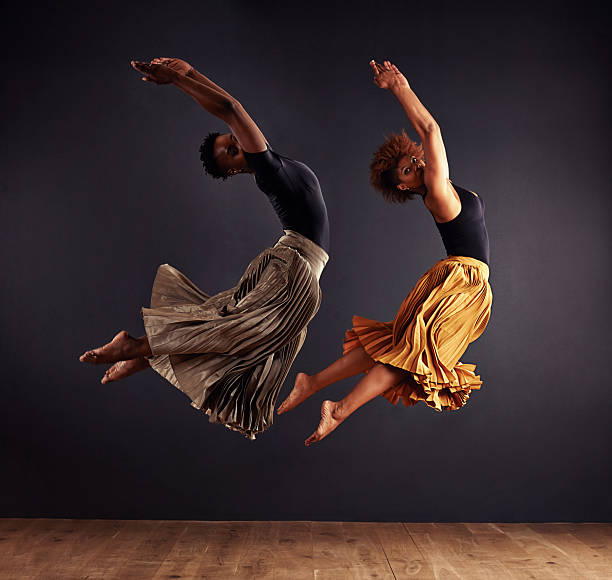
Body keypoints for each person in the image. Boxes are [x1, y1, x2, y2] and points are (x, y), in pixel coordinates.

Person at [79, 57, 329, 440]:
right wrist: (180, 80)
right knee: (233, 331)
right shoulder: (268, 171)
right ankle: (137, 347)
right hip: (294, 270)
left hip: (297, 268)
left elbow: (231, 109)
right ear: (233, 170)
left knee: (228, 326)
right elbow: (230, 109)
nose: (236, 144)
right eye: (230, 151)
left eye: (231, 142)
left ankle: (141, 351)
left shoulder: (272, 160)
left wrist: (192, 73)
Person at [277, 60, 492, 446]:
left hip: (458, 281)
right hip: (461, 282)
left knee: (399, 345)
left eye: (410, 161)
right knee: (414, 358)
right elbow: (430, 129)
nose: (413, 164)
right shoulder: (438, 193)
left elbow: (427, 142)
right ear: (408, 188)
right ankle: (338, 409)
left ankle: (313, 382)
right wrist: (399, 86)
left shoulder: (442, 184)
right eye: (406, 172)